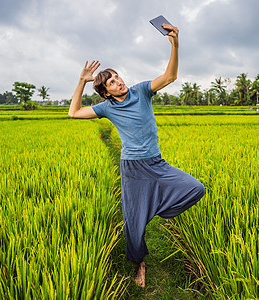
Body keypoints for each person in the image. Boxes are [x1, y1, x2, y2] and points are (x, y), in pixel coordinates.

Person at [68, 23, 205, 287]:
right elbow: (73, 112)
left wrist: (175, 44)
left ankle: (153, 210)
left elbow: (169, 77)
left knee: (195, 188)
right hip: (132, 168)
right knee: (133, 221)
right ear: (106, 92)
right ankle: (139, 265)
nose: (119, 81)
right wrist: (82, 81)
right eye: (112, 82)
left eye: (118, 77)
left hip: (156, 162)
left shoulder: (142, 91)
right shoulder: (106, 108)